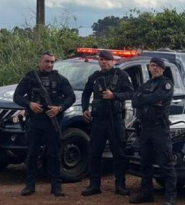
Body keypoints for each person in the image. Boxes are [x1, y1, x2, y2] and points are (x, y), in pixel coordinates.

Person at [13, 51, 75, 197]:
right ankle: (30, 186)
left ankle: (56, 187)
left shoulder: (59, 79)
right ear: (39, 62)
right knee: (32, 154)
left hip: (52, 121)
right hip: (34, 121)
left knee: (54, 154)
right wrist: (29, 104)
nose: (50, 64)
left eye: (52, 62)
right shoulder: (30, 78)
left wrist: (59, 108)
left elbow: (71, 97)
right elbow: (17, 96)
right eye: (47, 61)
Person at [81, 50, 134, 197]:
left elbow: (130, 93)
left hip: (115, 119)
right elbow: (86, 93)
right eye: (101, 59)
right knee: (95, 152)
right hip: (98, 119)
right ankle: (94, 185)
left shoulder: (121, 75)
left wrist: (114, 95)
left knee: (119, 153)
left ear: (112, 61)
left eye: (107, 60)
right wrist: (85, 109)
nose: (104, 62)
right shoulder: (95, 76)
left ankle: (120, 185)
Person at [130, 57, 177, 205]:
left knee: (165, 162)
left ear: (162, 69)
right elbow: (134, 101)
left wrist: (144, 98)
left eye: (158, 66)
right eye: (152, 65)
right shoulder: (146, 84)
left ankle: (170, 196)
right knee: (145, 162)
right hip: (145, 128)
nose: (155, 68)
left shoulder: (167, 84)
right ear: (149, 68)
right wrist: (149, 100)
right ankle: (146, 193)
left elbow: (158, 97)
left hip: (160, 129)